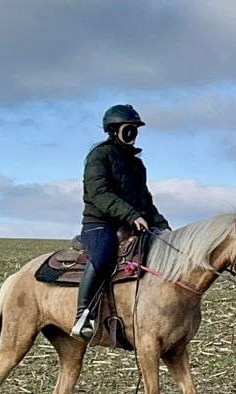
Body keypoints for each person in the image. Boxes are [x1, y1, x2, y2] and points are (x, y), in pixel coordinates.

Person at [71, 104, 171, 341]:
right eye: (129, 129)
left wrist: (162, 225)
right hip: (100, 222)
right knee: (104, 256)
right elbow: (100, 192)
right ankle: (83, 315)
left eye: (135, 129)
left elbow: (145, 200)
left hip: (132, 221)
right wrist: (131, 215)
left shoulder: (137, 165)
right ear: (114, 130)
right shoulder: (99, 156)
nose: (133, 134)